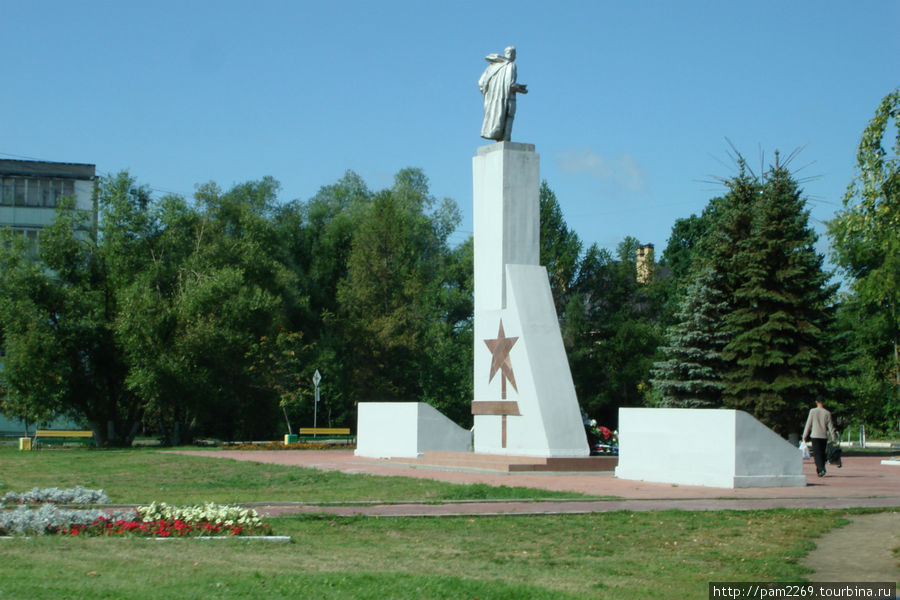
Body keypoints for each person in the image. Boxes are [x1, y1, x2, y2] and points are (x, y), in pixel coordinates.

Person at [478, 46, 528, 141]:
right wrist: (522, 89)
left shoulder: (492, 66)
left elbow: (481, 83)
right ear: (513, 54)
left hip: (493, 100)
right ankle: (506, 138)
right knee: (509, 116)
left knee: (499, 118)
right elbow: (511, 85)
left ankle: (500, 138)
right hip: (508, 98)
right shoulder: (511, 65)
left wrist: (489, 94)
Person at [802, 396, 838, 477]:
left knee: (817, 454)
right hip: (823, 436)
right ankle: (820, 469)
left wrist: (804, 435)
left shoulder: (812, 411)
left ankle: (821, 469)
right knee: (822, 453)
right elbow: (830, 426)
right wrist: (833, 437)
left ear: (816, 402)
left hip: (815, 436)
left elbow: (808, 424)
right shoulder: (827, 413)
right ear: (824, 402)